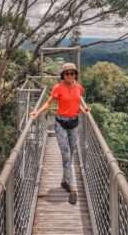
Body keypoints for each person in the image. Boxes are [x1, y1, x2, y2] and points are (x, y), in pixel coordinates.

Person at [30, 62, 90, 205]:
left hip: (74, 123)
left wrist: (85, 110)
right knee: (66, 154)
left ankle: (65, 181)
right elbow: (48, 103)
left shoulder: (79, 87)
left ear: (76, 74)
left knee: (71, 152)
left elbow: (78, 103)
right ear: (63, 75)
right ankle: (73, 188)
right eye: (67, 73)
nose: (70, 76)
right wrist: (37, 112)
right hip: (61, 124)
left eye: (72, 73)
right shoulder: (58, 87)